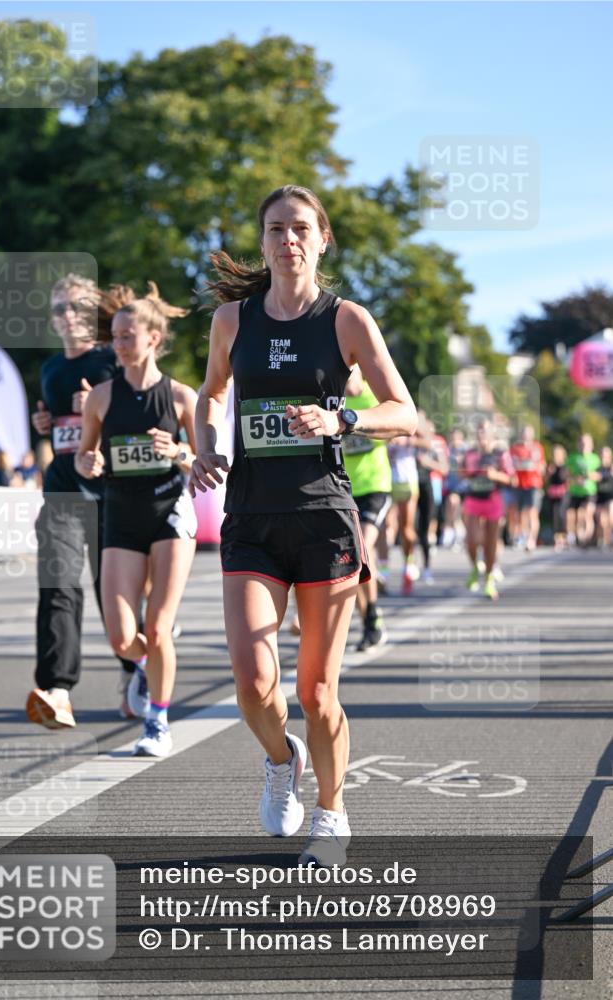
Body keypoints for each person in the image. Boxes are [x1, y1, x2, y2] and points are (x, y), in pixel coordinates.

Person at [190, 185, 417, 865]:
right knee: (252, 682)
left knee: (317, 693)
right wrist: (207, 446)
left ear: (321, 239)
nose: (285, 240)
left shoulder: (345, 319)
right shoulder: (232, 320)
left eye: (298, 229)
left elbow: (401, 410)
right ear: (262, 242)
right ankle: (278, 759)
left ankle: (331, 808)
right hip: (252, 516)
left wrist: (341, 419)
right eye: (273, 229)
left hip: (322, 516)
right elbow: (211, 392)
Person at [76, 283, 197, 757]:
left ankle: (157, 722)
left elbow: (207, 458)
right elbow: (86, 455)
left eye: (128, 335)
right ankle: (148, 663)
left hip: (169, 511)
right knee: (124, 636)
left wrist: (180, 452)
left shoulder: (182, 397)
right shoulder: (101, 398)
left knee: (160, 626)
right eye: (116, 337)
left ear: (154, 337)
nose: (119, 344)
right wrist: (89, 464)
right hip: (121, 516)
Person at [26, 274, 135, 729]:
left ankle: (137, 671)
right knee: (58, 588)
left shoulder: (113, 361)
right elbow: (61, 432)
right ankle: (57, 690)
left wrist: (102, 407)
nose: (66, 316)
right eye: (58, 309)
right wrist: (45, 423)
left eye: (74, 307)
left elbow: (141, 419)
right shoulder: (51, 370)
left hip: (115, 495)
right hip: (63, 492)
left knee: (113, 593)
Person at [341, 365, 392, 650]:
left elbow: (395, 428)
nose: (345, 381)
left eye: (349, 373)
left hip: (375, 486)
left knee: (360, 548)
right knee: (354, 555)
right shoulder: (334, 399)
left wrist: (358, 424)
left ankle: (369, 618)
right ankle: (370, 619)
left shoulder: (373, 396)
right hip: (346, 488)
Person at [461, 419, 514, 601]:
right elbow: (460, 472)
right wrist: (468, 472)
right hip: (473, 499)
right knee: (472, 539)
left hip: (493, 500)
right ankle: (476, 566)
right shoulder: (469, 454)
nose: (482, 435)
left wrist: (495, 475)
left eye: (485, 432)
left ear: (492, 435)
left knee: (490, 543)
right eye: (479, 431)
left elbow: (512, 479)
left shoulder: (500, 454)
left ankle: (489, 580)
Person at [381, 436, 419, 595]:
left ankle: (408, 565)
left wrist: (406, 441)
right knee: (385, 526)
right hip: (385, 480)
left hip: (406, 481)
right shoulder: (379, 415)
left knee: (406, 529)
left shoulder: (411, 413)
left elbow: (428, 442)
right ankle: (383, 573)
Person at [415, 416, 448, 585]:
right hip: (409, 487)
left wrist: (428, 462)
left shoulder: (434, 444)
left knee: (425, 529)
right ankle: (410, 565)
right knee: (411, 528)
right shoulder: (406, 440)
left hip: (427, 486)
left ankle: (427, 567)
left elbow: (444, 468)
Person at [510, 425, 546, 551]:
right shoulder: (515, 449)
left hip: (534, 484)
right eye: (524, 433)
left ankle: (532, 539)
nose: (526, 436)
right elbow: (511, 466)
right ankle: (523, 537)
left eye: (528, 433)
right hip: (520, 484)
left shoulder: (537, 448)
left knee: (532, 512)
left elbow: (542, 466)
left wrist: (532, 466)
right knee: (521, 513)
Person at [565, 434, 601, 546]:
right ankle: (573, 537)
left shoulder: (595, 459)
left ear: (591, 445)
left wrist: (591, 476)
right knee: (570, 515)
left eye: (586, 443)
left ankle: (585, 538)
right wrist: (575, 479)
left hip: (589, 492)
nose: (584, 445)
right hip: (575, 491)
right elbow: (565, 474)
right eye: (581, 443)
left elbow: (600, 475)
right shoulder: (572, 458)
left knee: (585, 514)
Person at [545, 443, 569, 549]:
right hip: (553, 493)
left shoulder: (565, 466)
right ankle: (556, 538)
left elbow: (568, 480)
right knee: (553, 515)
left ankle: (563, 537)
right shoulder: (551, 466)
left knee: (561, 514)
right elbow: (546, 480)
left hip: (563, 493)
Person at [594, 445, 612, 548]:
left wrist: (600, 476)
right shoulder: (596, 468)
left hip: (611, 495)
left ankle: (609, 538)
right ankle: (604, 540)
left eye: (605, 455)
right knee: (601, 520)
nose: (603, 457)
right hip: (600, 495)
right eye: (601, 455)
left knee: (610, 516)